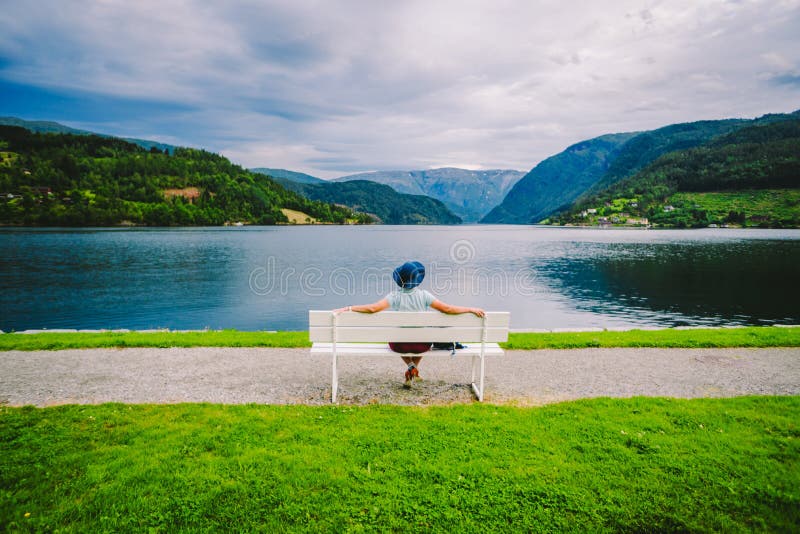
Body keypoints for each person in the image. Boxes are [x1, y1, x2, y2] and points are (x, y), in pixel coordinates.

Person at [333, 260, 484, 387]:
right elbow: (448, 309)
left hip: (400, 345)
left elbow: (373, 308)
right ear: (417, 279)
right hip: (422, 346)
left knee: (399, 338)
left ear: (400, 280)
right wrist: (470, 309)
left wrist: (348, 308)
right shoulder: (425, 295)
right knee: (425, 337)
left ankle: (410, 366)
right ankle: (414, 367)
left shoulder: (394, 296)